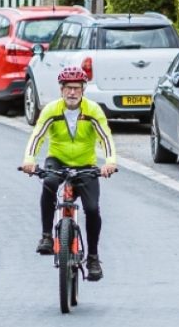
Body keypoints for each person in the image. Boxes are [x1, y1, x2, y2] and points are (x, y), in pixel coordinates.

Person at [22, 65, 118, 281]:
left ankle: (93, 258)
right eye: (68, 88)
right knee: (48, 183)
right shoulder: (51, 110)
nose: (72, 93)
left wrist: (110, 162)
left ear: (83, 89)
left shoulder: (93, 110)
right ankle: (47, 236)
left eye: (76, 88)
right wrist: (29, 160)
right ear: (61, 89)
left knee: (92, 209)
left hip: (86, 165)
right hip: (57, 160)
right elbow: (37, 136)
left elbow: (105, 137)